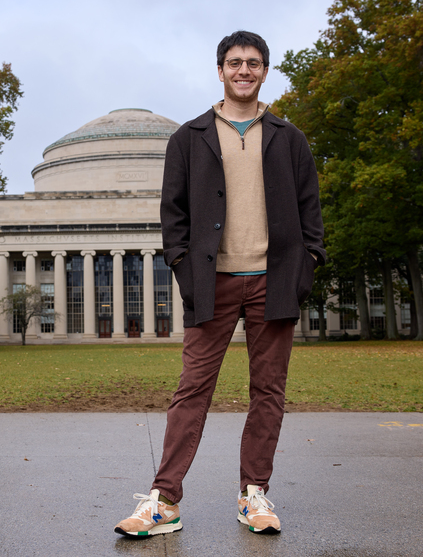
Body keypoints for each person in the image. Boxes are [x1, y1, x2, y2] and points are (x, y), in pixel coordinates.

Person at [115, 30, 325, 538]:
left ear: (265, 71)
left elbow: (309, 213)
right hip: (213, 283)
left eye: (253, 63)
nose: (244, 70)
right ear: (220, 70)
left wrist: (306, 266)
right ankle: (164, 500)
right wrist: (186, 269)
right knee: (192, 390)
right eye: (235, 62)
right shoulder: (189, 137)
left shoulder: (288, 137)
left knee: (268, 392)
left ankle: (254, 495)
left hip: (274, 283)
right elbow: (175, 215)